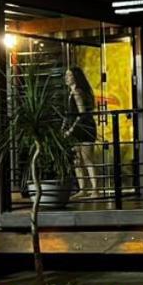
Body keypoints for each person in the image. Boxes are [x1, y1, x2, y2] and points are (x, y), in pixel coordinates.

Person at [63, 67, 100, 195]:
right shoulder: (72, 93)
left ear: (76, 77)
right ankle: (83, 189)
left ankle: (95, 189)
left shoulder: (77, 92)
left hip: (84, 128)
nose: (66, 78)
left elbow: (81, 114)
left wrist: (71, 130)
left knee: (87, 158)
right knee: (77, 160)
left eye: (69, 75)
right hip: (78, 128)